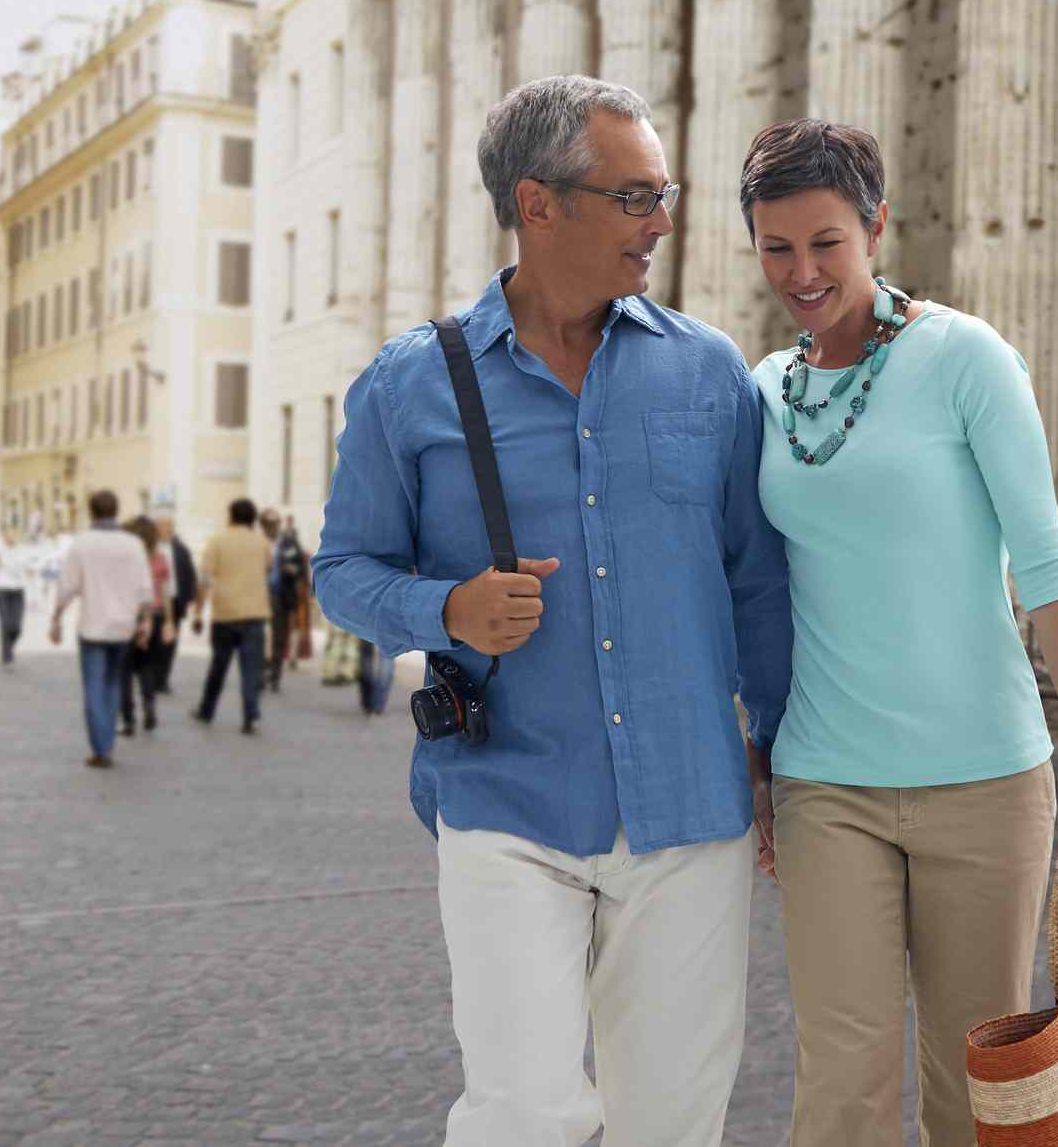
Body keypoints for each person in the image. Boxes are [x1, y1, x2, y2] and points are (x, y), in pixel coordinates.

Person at [313, 75, 792, 1145]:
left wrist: (778, 751)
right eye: (634, 196)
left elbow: (757, 582)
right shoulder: (410, 384)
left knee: (671, 1118)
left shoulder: (708, 371)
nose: (662, 221)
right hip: (505, 803)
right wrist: (450, 608)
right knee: (523, 1110)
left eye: (665, 194)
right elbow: (341, 568)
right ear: (540, 204)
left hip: (689, 807)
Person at [738, 119, 1058, 1147]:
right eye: (776, 246)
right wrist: (755, 750)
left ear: (876, 225)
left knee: (977, 1086)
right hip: (827, 782)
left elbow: (1047, 567)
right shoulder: (762, 393)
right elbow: (753, 587)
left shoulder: (965, 358)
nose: (803, 271)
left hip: (987, 783)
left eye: (826, 241)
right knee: (841, 1087)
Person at [48, 490, 155, 769]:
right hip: (123, 627)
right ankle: (106, 741)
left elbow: (67, 586)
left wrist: (56, 617)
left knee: (94, 686)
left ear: (91, 511)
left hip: (93, 626)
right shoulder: (133, 544)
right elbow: (145, 589)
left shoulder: (82, 544)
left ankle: (101, 747)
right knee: (113, 683)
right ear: (116, 510)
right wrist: (144, 622)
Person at [192, 498, 272, 734]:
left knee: (218, 665)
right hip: (255, 614)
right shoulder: (261, 542)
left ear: (230, 516)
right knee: (250, 669)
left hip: (225, 614)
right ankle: (251, 715)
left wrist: (198, 613)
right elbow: (268, 568)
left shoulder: (218, 540)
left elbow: (205, 579)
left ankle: (206, 710)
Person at [117, 515, 174, 735]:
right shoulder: (160, 558)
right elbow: (167, 592)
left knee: (124, 669)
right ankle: (149, 705)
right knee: (147, 665)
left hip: (129, 615)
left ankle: (128, 719)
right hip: (157, 614)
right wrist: (169, 620)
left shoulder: (125, 560)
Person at [261, 508, 311, 691]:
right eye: (268, 524)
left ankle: (274, 675)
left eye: (275, 523)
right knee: (259, 634)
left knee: (279, 636)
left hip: (281, 594)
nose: (272, 527)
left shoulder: (288, 543)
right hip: (258, 595)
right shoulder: (256, 542)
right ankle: (260, 671)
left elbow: (301, 568)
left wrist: (294, 571)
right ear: (263, 525)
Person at [149, 510, 198, 695]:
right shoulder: (149, 547)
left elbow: (190, 574)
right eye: (165, 525)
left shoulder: (181, 549)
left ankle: (163, 679)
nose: (169, 529)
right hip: (155, 602)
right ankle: (152, 677)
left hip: (175, 601)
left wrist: (191, 597)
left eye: (171, 525)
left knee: (170, 642)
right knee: (155, 641)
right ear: (156, 528)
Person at [0, 528, 27, 665]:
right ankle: (6, 655)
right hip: (1, 590)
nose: (11, 536)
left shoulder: (22, 551)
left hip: (18, 591)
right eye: (8, 534)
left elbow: (27, 569)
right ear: (3, 536)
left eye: (13, 534)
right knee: (5, 623)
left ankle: (8, 647)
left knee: (17, 627)